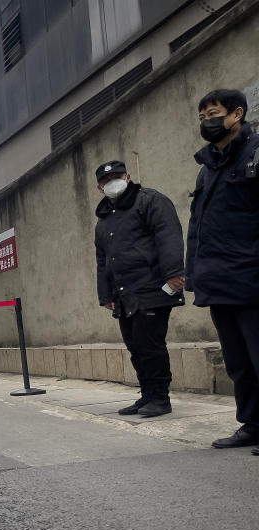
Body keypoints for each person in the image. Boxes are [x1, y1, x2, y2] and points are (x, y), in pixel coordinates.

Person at [183, 90, 259, 452]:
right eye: (201, 118)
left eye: (213, 114)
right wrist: (194, 275)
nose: (207, 122)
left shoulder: (255, 154)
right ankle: (253, 423)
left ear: (237, 114)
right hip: (218, 281)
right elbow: (196, 226)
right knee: (238, 362)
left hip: (252, 278)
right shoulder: (207, 169)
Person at [94, 160, 185, 417]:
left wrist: (174, 273)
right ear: (99, 187)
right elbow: (103, 261)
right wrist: (106, 294)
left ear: (128, 176)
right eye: (105, 180)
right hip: (124, 294)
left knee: (150, 346)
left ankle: (160, 398)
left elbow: (168, 235)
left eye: (118, 175)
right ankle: (147, 396)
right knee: (135, 347)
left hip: (153, 287)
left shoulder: (150, 200)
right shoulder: (103, 221)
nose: (112, 181)